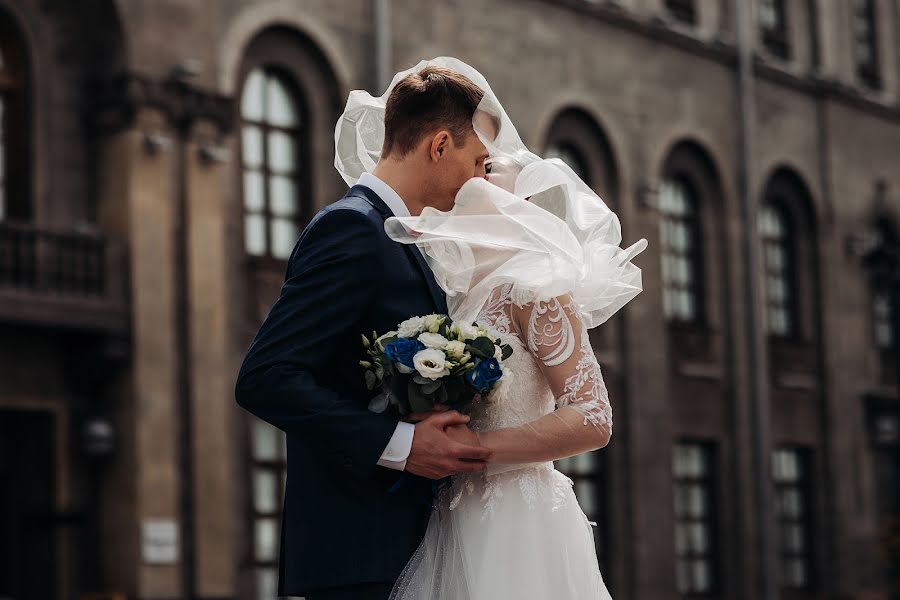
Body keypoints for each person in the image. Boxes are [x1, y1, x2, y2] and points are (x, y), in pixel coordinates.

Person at [337, 58, 648, 599]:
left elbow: (594, 417)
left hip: (520, 518)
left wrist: (476, 447)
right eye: (478, 157)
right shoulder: (441, 288)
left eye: (492, 162)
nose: (483, 169)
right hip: (445, 518)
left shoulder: (535, 283)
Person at [234, 63, 496, 600]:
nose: (480, 180)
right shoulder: (352, 227)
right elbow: (266, 376)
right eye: (477, 161)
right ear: (440, 145)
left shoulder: (401, 236)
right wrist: (400, 444)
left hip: (407, 551)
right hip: (358, 559)